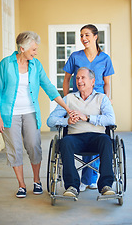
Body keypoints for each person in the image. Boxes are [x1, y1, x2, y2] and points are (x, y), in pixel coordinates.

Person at [0, 31, 71, 198]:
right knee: (14, 149)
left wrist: (67, 108)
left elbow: (49, 87)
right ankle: (21, 185)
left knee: (34, 145)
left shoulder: (36, 65)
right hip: (8, 114)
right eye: (33, 49)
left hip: (30, 112)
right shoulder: (6, 64)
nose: (36, 52)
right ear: (22, 49)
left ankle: (36, 181)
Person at [47, 67, 115, 198]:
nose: (79, 81)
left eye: (83, 78)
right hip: (75, 138)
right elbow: (50, 121)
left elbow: (111, 119)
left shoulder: (102, 98)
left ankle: (106, 185)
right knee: (65, 142)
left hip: (97, 137)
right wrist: (67, 122)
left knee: (107, 141)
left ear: (92, 81)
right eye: (77, 78)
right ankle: (72, 186)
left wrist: (88, 117)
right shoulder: (68, 98)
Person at [63, 24, 115, 192]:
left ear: (95, 37)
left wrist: (107, 100)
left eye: (86, 35)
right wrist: (66, 103)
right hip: (79, 99)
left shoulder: (105, 58)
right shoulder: (75, 56)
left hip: (98, 101)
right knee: (81, 132)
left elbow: (107, 83)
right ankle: (84, 179)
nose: (83, 39)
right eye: (81, 36)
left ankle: (89, 177)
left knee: (98, 135)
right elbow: (66, 80)